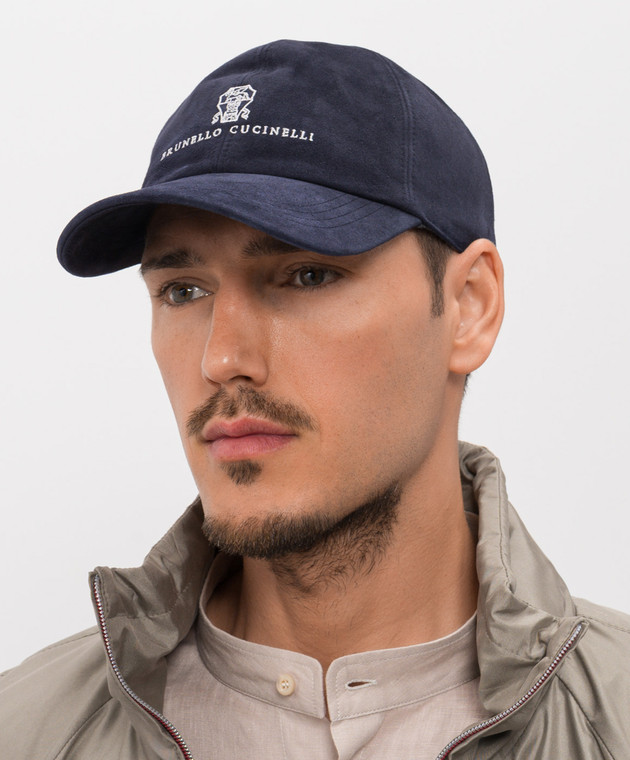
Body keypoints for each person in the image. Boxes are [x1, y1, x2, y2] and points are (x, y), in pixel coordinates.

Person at [1, 39, 628, 760]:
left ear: (469, 307)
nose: (222, 359)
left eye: (306, 275)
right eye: (183, 290)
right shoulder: (26, 732)